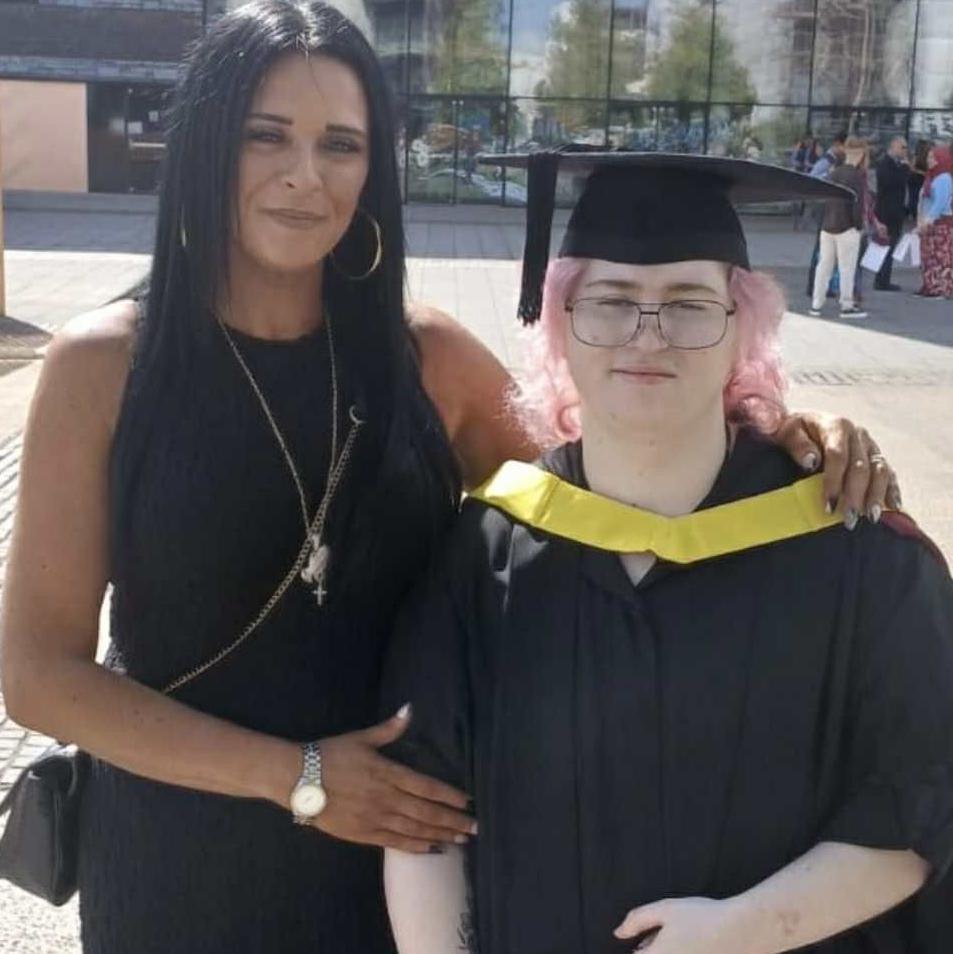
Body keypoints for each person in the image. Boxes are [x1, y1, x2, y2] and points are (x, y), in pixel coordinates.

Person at [0, 4, 901, 950]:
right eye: (265, 135)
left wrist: (778, 431)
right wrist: (300, 776)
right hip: (177, 858)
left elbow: (623, 484)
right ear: (203, 143)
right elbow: (39, 680)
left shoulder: (425, 358)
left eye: (340, 145)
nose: (304, 175)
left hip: (401, 865)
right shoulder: (105, 367)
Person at [380, 152, 953, 954]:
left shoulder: (858, 557)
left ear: (739, 333)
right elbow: (420, 812)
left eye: (689, 305)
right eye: (609, 303)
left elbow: (923, 806)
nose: (646, 336)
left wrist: (741, 931)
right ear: (560, 328)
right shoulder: (480, 557)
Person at [811, 137, 869, 318]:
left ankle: (816, 304)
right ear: (860, 154)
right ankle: (846, 305)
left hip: (828, 226)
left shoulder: (834, 173)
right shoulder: (857, 177)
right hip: (847, 227)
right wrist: (859, 226)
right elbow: (857, 206)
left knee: (824, 266)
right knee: (847, 268)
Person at [805, 132, 847, 297]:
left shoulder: (836, 161)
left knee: (827, 248)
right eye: (843, 146)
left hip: (829, 206)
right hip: (823, 206)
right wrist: (831, 176)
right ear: (837, 144)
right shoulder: (827, 162)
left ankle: (823, 284)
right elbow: (812, 178)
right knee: (821, 247)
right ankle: (815, 285)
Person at [914, 143, 953, 300]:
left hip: (940, 224)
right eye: (929, 157)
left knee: (941, 258)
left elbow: (940, 203)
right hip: (929, 224)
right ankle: (930, 286)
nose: (929, 160)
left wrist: (927, 220)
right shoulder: (932, 177)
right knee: (929, 257)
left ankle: (942, 288)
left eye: (933, 157)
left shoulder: (943, 178)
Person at [873, 136, 910, 291]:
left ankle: (884, 278)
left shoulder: (897, 165)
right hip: (886, 212)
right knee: (885, 246)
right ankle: (881, 280)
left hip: (896, 212)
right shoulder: (885, 164)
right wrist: (905, 169)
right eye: (903, 147)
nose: (905, 151)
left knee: (891, 247)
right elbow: (890, 182)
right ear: (893, 146)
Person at [908, 139, 932, 219]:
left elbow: (912, 168)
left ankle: (912, 213)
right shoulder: (926, 157)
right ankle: (917, 213)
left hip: (913, 177)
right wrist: (923, 173)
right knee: (919, 196)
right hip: (921, 178)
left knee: (913, 196)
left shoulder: (916, 155)